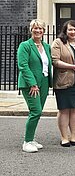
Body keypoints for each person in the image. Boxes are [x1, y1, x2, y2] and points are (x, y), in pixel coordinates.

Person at [17, 19, 52, 153]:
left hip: (44, 82)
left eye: (41, 29)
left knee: (38, 112)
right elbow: (23, 66)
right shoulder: (25, 45)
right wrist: (32, 84)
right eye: (35, 28)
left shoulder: (46, 46)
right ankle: (27, 142)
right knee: (35, 111)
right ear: (31, 30)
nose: (38, 31)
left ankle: (31, 139)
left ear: (44, 31)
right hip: (30, 83)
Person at [51, 20, 75, 147]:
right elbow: (55, 61)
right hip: (64, 80)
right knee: (64, 109)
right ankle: (64, 137)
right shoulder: (58, 42)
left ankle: (73, 136)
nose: (73, 32)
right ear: (65, 31)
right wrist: (72, 66)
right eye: (70, 29)